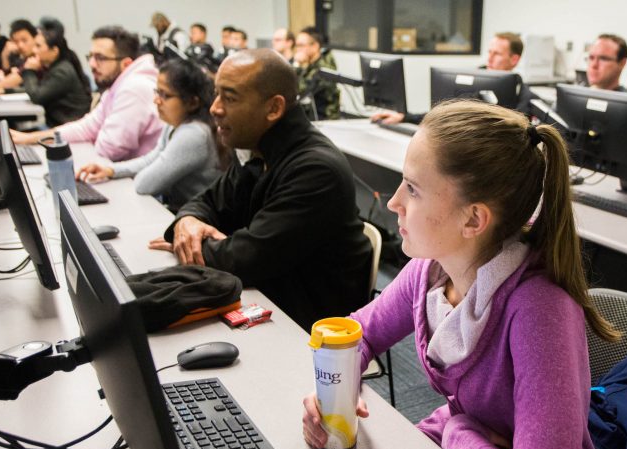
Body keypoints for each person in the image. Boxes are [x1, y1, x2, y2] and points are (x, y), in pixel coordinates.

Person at [302, 99, 617, 449]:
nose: (392, 202)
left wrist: (457, 432)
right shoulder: (432, 270)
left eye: (412, 189)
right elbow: (358, 333)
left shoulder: (540, 312)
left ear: (473, 219)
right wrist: (332, 391)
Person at [149, 49, 371, 330]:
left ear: (274, 108)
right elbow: (206, 202)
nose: (215, 108)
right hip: (266, 300)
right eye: (216, 94)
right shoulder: (258, 147)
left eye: (229, 98)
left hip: (306, 331)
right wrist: (188, 222)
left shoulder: (315, 170)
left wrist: (190, 244)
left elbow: (243, 260)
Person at [77, 59, 223, 212]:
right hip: (182, 213)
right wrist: (110, 170)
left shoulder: (194, 134)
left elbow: (145, 184)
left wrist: (123, 172)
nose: (156, 100)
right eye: (157, 92)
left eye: (165, 95)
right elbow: (152, 158)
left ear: (192, 102)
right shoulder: (175, 124)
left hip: (196, 219)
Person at [10, 26, 162, 162]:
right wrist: (28, 139)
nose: (92, 64)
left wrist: (94, 135)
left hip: (136, 186)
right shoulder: (119, 85)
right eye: (91, 57)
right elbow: (87, 127)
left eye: (100, 58)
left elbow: (109, 150)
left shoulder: (135, 88)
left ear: (126, 64)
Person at [372, 32, 536, 124]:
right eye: (489, 52)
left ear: (514, 60)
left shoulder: (526, 97)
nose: (490, 58)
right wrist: (404, 117)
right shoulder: (477, 83)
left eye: (497, 54)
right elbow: (447, 111)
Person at [20, 20, 91, 127]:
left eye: (38, 46)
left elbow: (37, 97)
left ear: (54, 50)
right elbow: (41, 88)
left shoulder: (61, 71)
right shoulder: (55, 67)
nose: (34, 50)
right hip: (58, 124)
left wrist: (29, 71)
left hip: (65, 127)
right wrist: (4, 90)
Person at [294, 27, 340, 120]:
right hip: (311, 117)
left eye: (301, 45)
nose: (298, 50)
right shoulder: (310, 64)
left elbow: (302, 92)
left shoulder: (325, 68)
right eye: (297, 46)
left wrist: (298, 66)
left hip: (325, 119)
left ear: (315, 46)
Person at [0, 19, 37, 94]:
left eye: (24, 40)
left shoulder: (39, 58)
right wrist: (5, 54)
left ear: (35, 38)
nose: (20, 45)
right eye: (16, 41)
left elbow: (37, 90)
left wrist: (1, 89)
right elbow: (14, 76)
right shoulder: (25, 57)